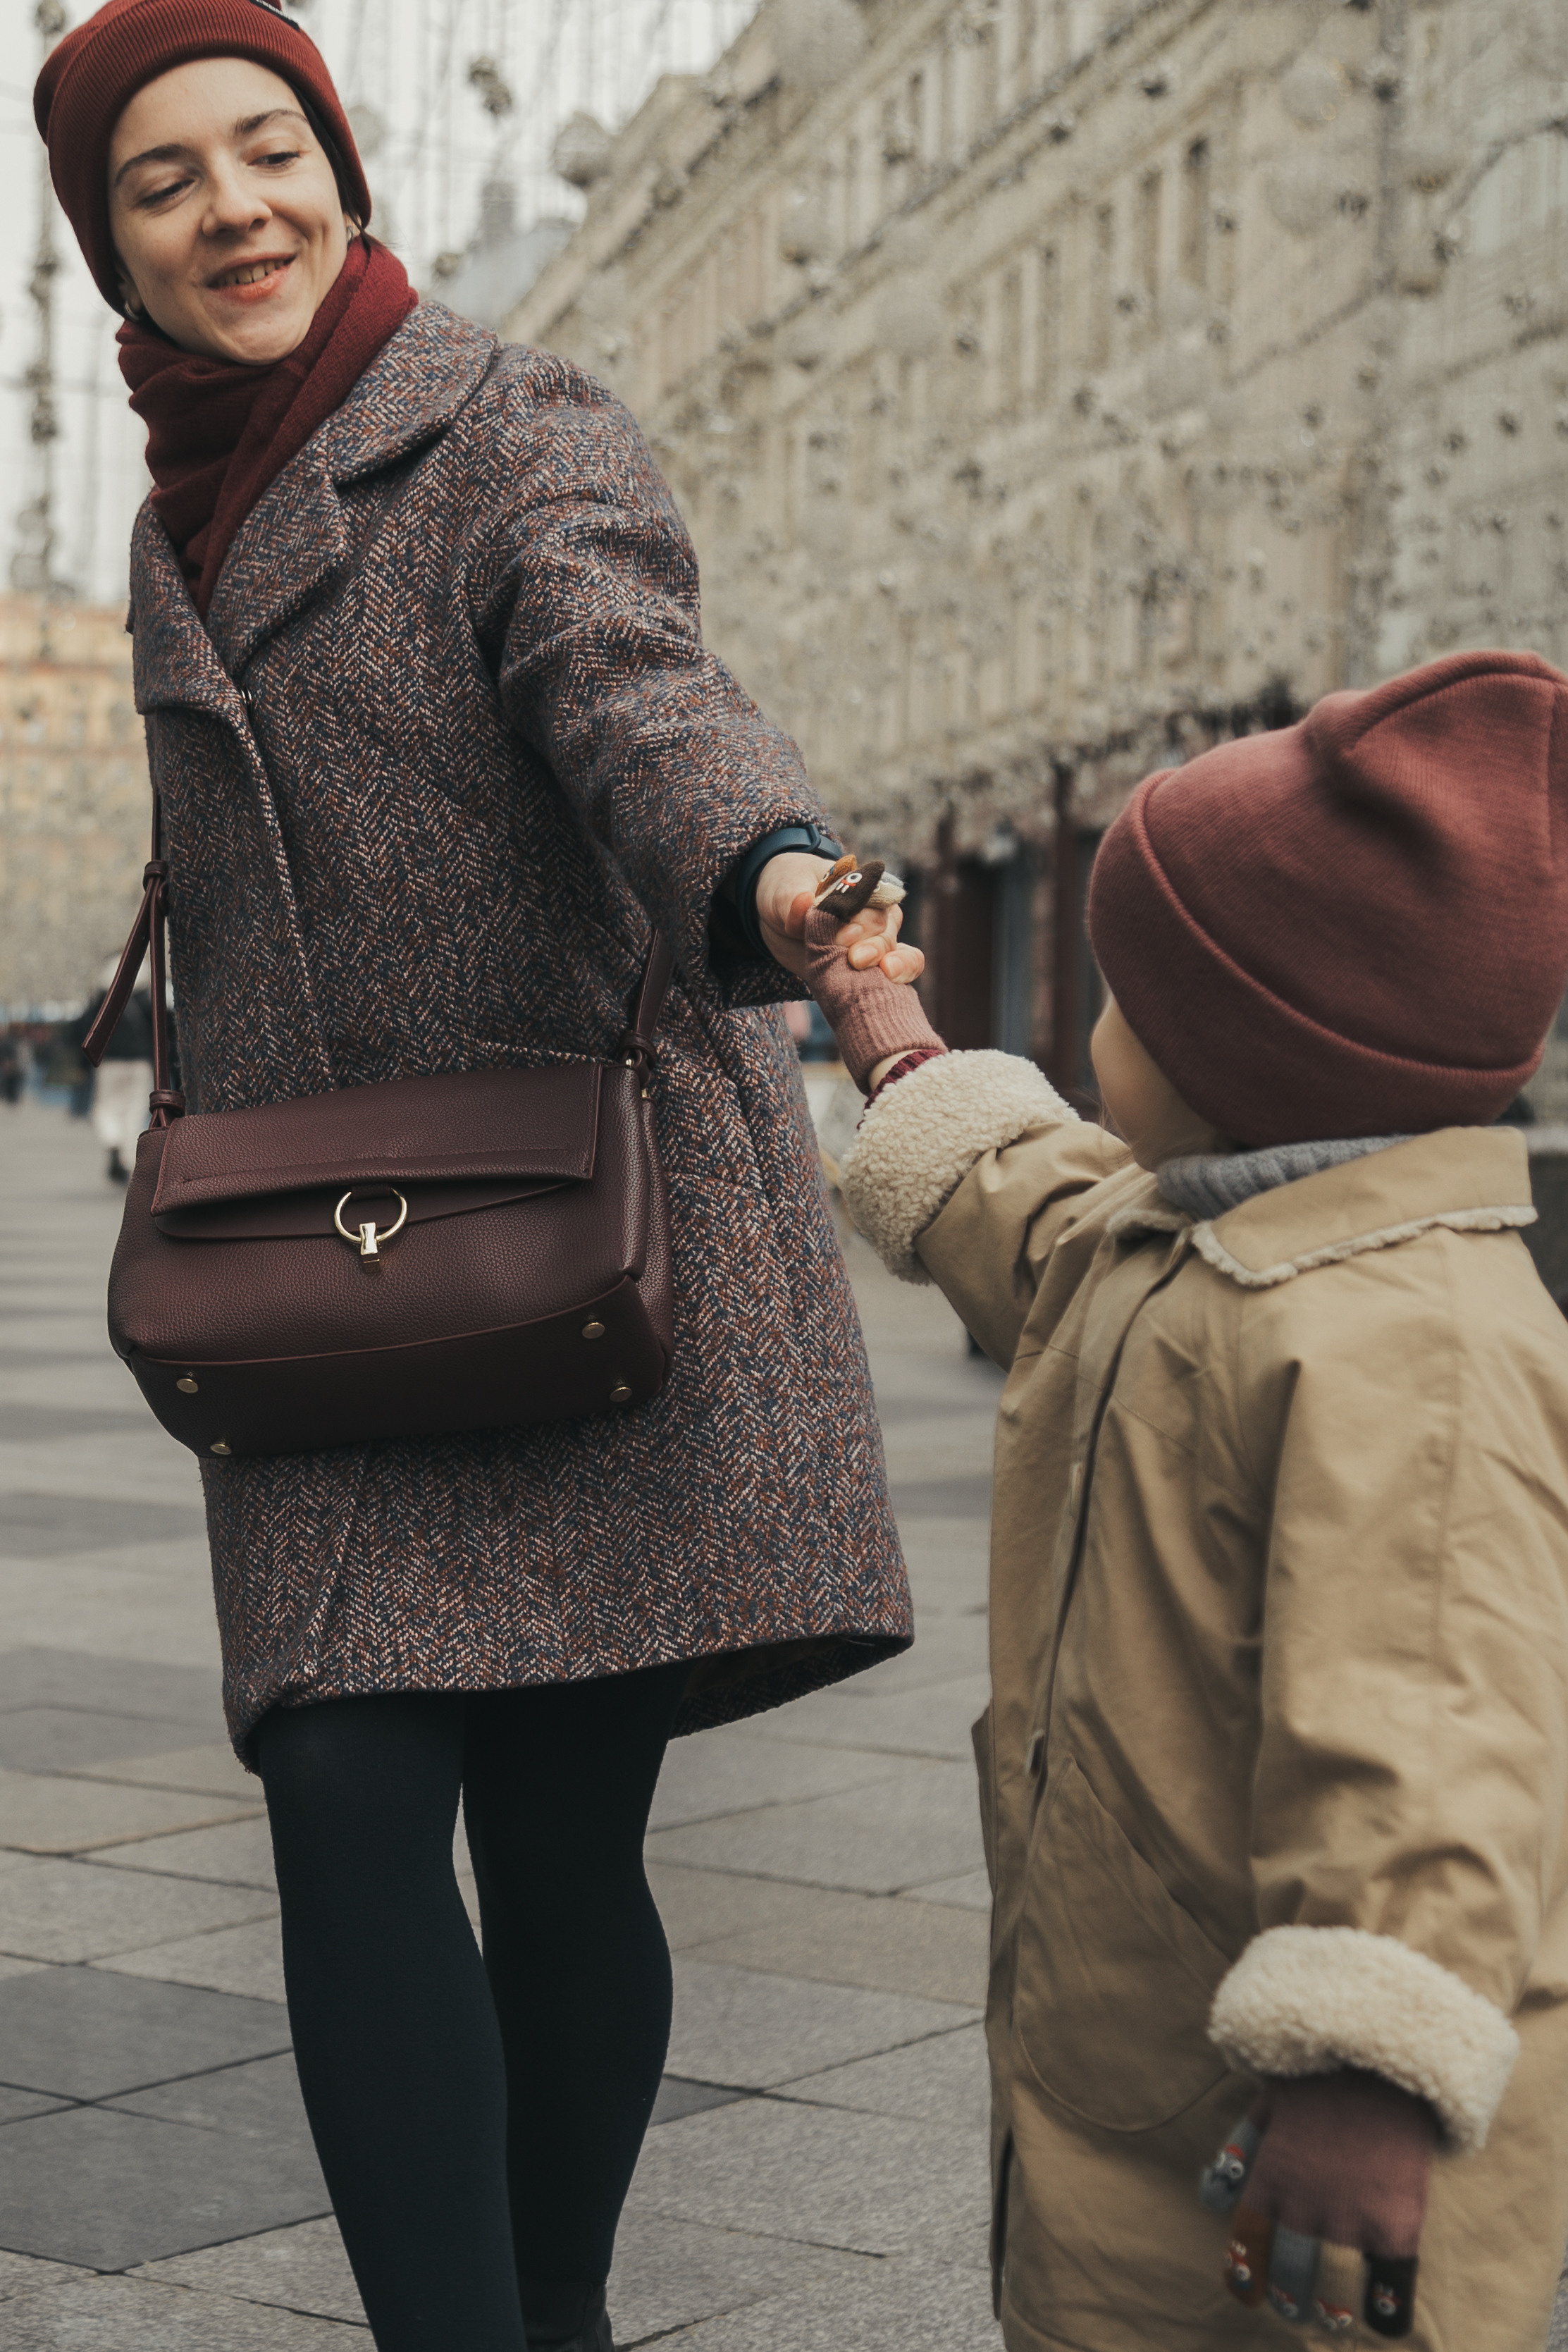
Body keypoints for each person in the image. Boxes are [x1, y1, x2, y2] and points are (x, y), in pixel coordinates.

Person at [33, 5, 920, 2346]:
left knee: (555, 1824)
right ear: (106, 247)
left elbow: (639, 689)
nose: (233, 205)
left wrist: (773, 877)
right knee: (336, 1786)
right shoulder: (176, 497)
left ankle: (555, 2303)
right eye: (161, 181)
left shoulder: (508, 424)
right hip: (324, 1271)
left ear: (337, 164)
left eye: (267, 149)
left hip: (567, 1236)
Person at [804, 649, 1568, 2351]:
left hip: (1311, 2154)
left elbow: (1433, 1737)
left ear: (1246, 1050)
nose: (1089, 1039)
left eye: (1120, 1004)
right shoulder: (1183, 1244)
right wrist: (886, 1035)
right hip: (1143, 2057)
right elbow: (1025, 1199)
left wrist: (1367, 2071)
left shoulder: (1408, 1344)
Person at [71, 955, 156, 1178]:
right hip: (140, 1062)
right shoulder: (146, 998)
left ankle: (113, 1141)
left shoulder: (101, 1000)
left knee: (107, 1106)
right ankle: (128, 1157)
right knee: (135, 1109)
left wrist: (84, 1064)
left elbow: (86, 1032)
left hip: (109, 1061)